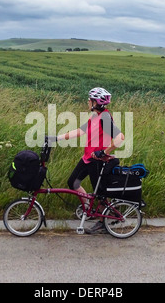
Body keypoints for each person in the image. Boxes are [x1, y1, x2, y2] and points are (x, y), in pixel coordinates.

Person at [55, 87, 125, 234]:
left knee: (99, 193)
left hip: (98, 161)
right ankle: (88, 209)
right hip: (87, 158)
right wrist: (57, 138)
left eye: (90, 100)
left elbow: (120, 138)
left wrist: (104, 152)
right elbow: (79, 132)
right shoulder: (95, 117)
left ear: (96, 102)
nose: (88, 102)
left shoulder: (105, 118)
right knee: (73, 182)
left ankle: (103, 223)